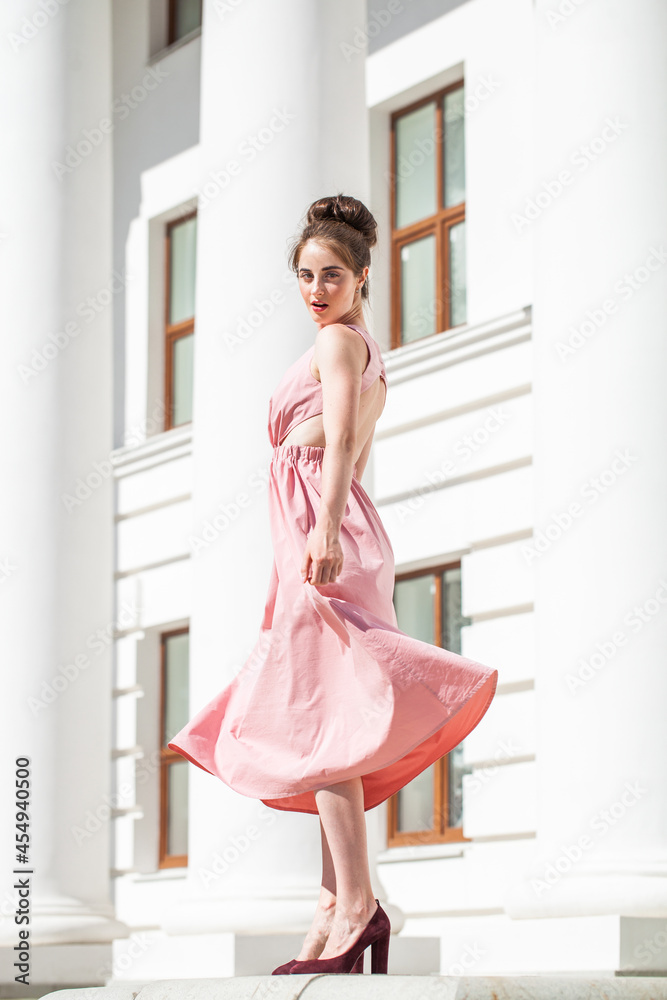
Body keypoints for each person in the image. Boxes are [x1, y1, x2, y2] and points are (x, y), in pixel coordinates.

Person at [168, 193, 498, 976]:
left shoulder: (342, 346)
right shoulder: (341, 342)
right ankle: (334, 905)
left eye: (333, 275)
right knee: (323, 711)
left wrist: (320, 528)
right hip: (310, 523)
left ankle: (355, 906)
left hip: (325, 521)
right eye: (306, 277)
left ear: (361, 278)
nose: (317, 289)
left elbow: (344, 437)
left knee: (321, 718)